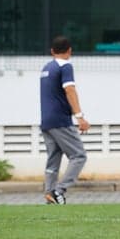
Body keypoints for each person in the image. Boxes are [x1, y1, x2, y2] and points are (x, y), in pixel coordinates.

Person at [40, 35, 90, 205]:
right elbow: (70, 90)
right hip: (60, 120)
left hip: (46, 120)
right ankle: (58, 190)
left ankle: (49, 193)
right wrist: (80, 116)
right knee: (79, 156)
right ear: (70, 50)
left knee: (53, 159)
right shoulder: (66, 66)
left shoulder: (46, 68)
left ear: (52, 51)